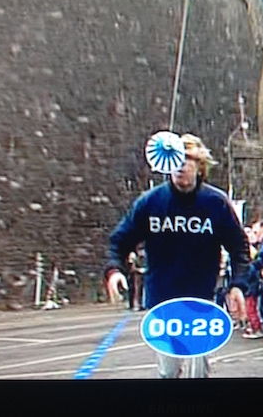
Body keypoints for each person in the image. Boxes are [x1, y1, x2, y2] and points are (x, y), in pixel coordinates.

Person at [104, 133, 250, 379]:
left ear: (199, 165)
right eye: (176, 159)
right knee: (168, 371)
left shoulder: (216, 203)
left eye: (187, 159)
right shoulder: (150, 202)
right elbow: (120, 240)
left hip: (201, 298)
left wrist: (237, 285)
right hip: (162, 299)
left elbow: (239, 247)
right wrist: (114, 270)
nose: (181, 165)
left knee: (198, 370)